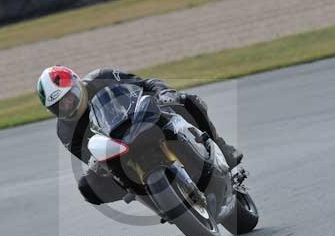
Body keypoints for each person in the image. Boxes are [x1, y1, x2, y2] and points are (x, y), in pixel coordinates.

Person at [37, 66, 242, 205]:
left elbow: (145, 83)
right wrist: (104, 169)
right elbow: (87, 156)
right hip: (118, 151)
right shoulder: (64, 130)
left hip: (141, 120)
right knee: (87, 186)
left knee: (187, 101)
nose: (67, 106)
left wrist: (163, 93)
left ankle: (221, 149)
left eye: (68, 98)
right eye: (58, 106)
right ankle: (143, 193)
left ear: (77, 85)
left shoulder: (101, 77)